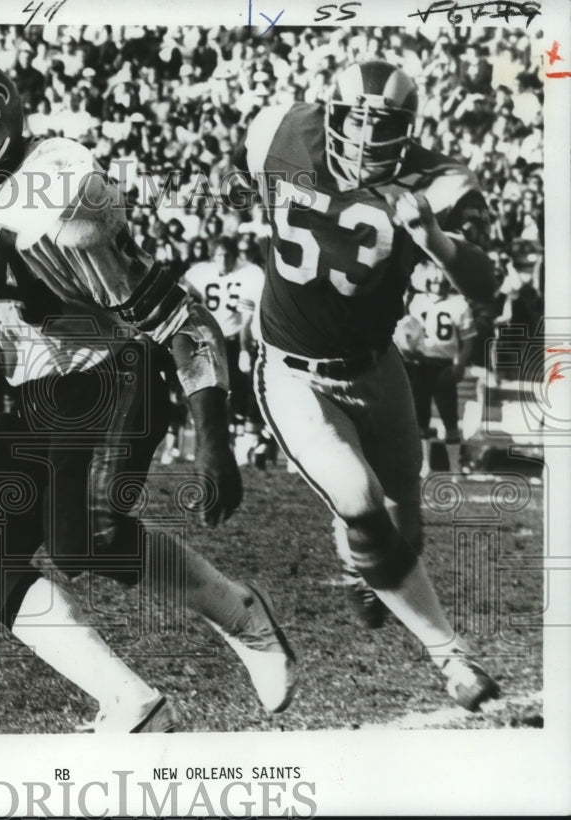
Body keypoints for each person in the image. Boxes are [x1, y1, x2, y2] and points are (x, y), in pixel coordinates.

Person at [0, 57, 295, 731]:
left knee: (86, 538)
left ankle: (241, 613)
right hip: (37, 385)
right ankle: (132, 703)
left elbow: (185, 321)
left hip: (115, 368)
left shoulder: (55, 199)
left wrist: (215, 439)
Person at [236, 60, 499, 710]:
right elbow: (254, 177)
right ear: (330, 111)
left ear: (407, 130)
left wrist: (434, 239)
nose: (361, 136)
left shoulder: (440, 183)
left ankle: (365, 564)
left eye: (380, 124)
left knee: (406, 525)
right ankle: (453, 660)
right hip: (292, 370)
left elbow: (488, 284)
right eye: (352, 118)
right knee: (361, 502)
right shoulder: (278, 131)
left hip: (377, 367)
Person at [184, 236, 268, 467]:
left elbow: (246, 317)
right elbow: (184, 294)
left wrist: (244, 349)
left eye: (228, 255)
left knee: (241, 393)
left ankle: (243, 445)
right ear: (213, 256)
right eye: (220, 255)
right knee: (210, 392)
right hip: (208, 341)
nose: (224, 259)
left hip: (234, 340)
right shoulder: (200, 273)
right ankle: (216, 445)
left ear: (235, 256)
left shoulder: (250, 273)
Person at [399, 269, 476, 476]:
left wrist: (459, 365)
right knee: (420, 418)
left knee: (449, 418)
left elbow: (468, 341)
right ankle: (425, 465)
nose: (438, 284)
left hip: (443, 366)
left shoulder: (459, 304)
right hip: (419, 364)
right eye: (434, 280)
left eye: (442, 280)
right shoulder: (416, 302)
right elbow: (406, 330)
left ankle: (455, 467)